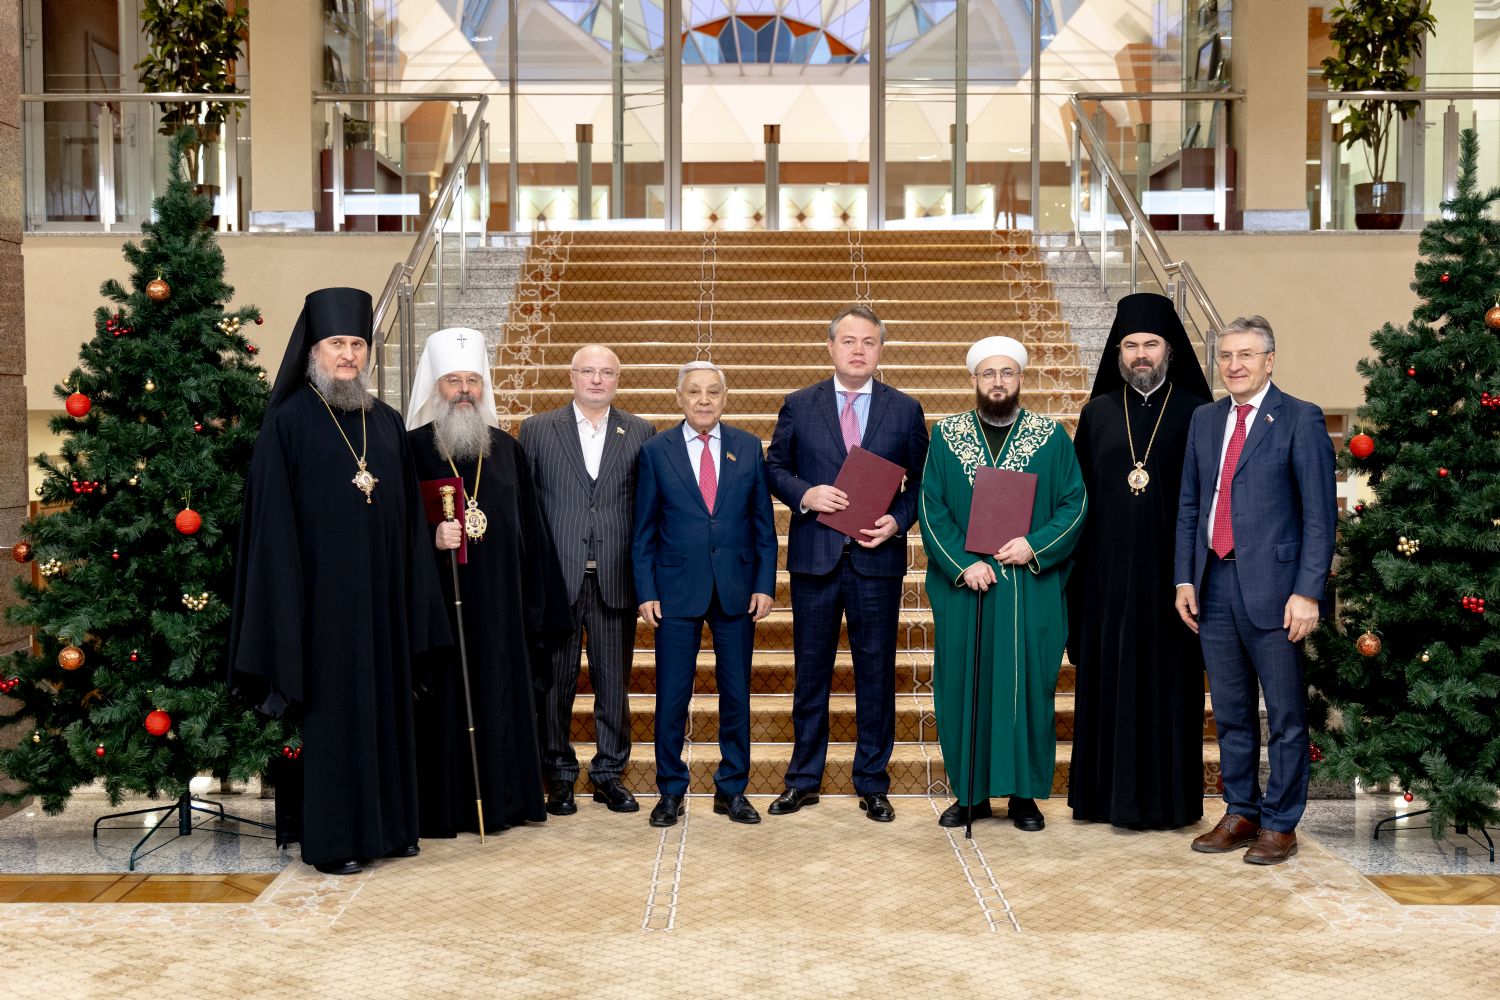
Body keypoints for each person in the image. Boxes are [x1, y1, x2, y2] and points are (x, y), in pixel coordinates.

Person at [228, 287, 450, 875]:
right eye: (336, 345)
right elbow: (272, 529)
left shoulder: (388, 422)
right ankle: (334, 841)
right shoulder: (290, 424)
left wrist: (413, 602)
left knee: (389, 712)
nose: (348, 355)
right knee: (337, 720)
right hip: (321, 609)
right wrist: (289, 609)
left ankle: (394, 827)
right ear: (313, 352)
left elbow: (406, 524)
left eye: (357, 344)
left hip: (382, 603)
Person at [1175, 315, 1336, 865]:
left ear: (1270, 360)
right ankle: (1241, 810)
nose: (1234, 365)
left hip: (1277, 590)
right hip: (1213, 583)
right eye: (1226, 356)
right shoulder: (1203, 419)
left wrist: (1309, 592)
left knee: (1286, 717)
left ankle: (1281, 823)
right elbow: (1191, 505)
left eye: (1246, 355)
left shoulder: (1300, 418)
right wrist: (1183, 577)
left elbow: (1319, 515)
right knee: (1233, 712)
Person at [765, 305, 928, 823]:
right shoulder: (798, 404)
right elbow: (774, 467)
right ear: (830, 347)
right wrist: (806, 494)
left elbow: (922, 485)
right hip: (816, 560)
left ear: (881, 350)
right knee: (810, 674)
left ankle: (872, 782)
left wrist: (898, 522)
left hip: (876, 563)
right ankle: (803, 780)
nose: (859, 350)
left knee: (876, 676)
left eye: (869, 342)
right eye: (849, 341)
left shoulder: (905, 409)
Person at [918, 336, 1087, 832]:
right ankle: (968, 794)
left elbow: (1074, 504)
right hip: (966, 589)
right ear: (974, 380)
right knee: (963, 685)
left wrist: (1035, 545)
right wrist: (962, 564)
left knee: (1029, 688)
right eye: (988, 374)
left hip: (1029, 590)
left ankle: (1024, 795)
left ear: (1020, 379)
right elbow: (932, 509)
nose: (998, 382)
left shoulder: (1051, 436)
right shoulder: (946, 437)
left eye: (1007, 373)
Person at [406, 327, 566, 837]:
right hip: (441, 609)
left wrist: (540, 611)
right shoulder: (409, 449)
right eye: (453, 380)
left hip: (501, 610)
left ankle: (509, 800)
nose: (465, 390)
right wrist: (432, 538)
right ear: (435, 387)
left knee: (502, 697)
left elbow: (533, 535)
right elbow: (394, 531)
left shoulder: (507, 450)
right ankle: (448, 808)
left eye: (473, 380)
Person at [1067, 293, 1212, 830]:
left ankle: (1170, 802)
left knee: (1169, 689)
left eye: (1151, 343)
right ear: (1119, 352)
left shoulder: (1199, 412)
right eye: (1131, 345)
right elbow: (1076, 501)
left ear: (1170, 350)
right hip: (1106, 580)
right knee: (1108, 685)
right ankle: (1103, 799)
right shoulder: (1097, 413)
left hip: (1175, 582)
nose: (1141, 354)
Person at [632, 361, 777, 828]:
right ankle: (670, 791)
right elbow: (644, 531)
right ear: (679, 397)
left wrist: (764, 584)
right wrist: (646, 589)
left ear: (724, 398)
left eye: (713, 392)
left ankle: (732, 789)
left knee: (736, 694)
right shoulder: (656, 451)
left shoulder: (748, 448)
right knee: (672, 696)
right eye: (694, 392)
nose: (703, 400)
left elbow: (763, 526)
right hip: (675, 590)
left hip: (736, 588)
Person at [519, 346, 655, 817]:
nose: (597, 380)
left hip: (615, 578)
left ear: (618, 379)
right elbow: (527, 511)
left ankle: (608, 775)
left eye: (607, 373)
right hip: (557, 580)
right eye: (588, 371)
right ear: (572, 375)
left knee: (613, 685)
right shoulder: (537, 430)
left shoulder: (639, 431)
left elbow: (646, 511)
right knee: (555, 683)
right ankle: (557, 775)